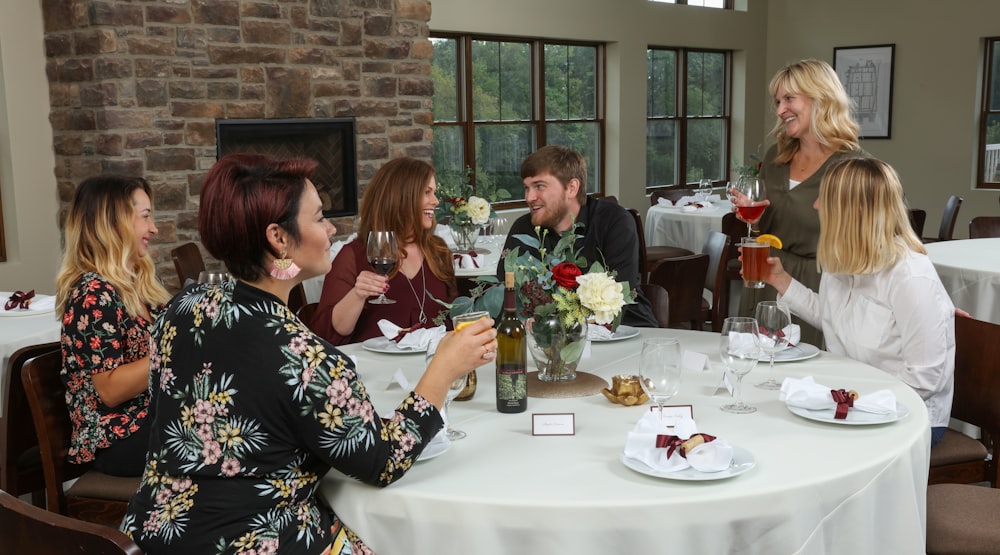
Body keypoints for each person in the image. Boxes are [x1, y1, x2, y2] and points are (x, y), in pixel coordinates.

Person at [121, 153, 497, 554]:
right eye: (319, 218)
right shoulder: (304, 355)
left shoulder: (183, 308)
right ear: (278, 238)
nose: (332, 229)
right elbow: (381, 462)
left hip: (153, 537)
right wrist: (443, 369)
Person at [757, 157, 954, 446]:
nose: (815, 206)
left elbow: (925, 380)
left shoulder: (910, 278)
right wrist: (780, 279)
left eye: (824, 198)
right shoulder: (844, 259)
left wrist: (849, 400)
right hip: (849, 402)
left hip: (907, 416)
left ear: (855, 211)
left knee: (795, 443)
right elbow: (830, 316)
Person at [737, 59, 866, 346]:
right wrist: (755, 221)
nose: (781, 110)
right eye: (778, 101)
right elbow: (766, 228)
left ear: (821, 97)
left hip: (817, 290)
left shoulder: (852, 168)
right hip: (766, 279)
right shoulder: (774, 157)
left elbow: (884, 239)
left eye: (789, 99)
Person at [54, 175, 171, 477]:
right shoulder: (93, 293)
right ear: (114, 223)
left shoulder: (140, 283)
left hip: (149, 419)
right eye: (145, 217)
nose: (154, 228)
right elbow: (110, 390)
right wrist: (177, 352)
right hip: (117, 439)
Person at [499, 145, 658, 328]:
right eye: (527, 188)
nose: (529, 197)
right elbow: (506, 293)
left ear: (572, 188)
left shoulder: (614, 222)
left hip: (626, 331)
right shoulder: (523, 228)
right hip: (549, 340)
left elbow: (620, 297)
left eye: (539, 186)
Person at [312, 157, 457, 344]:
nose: (435, 201)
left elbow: (452, 317)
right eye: (427, 192)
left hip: (433, 363)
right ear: (401, 197)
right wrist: (357, 294)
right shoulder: (354, 255)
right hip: (377, 369)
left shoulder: (438, 251)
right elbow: (328, 335)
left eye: (434, 193)